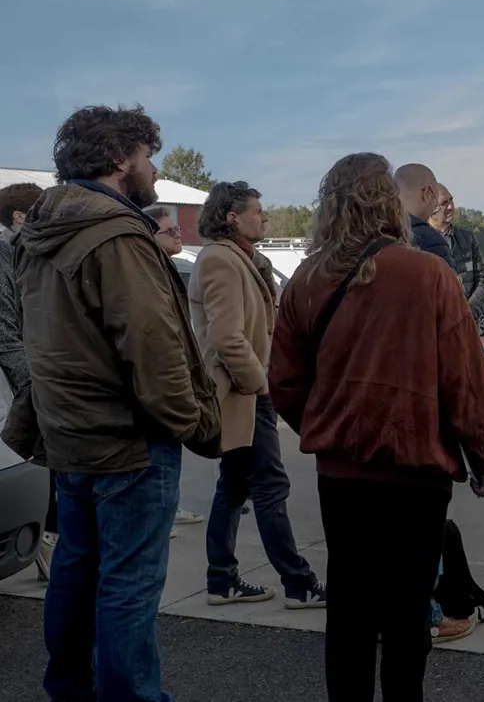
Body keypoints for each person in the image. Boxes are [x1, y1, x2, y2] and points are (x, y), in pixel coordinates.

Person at [268, 152, 484, 702]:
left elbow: (282, 381)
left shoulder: (307, 278)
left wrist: (331, 424)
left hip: (343, 473)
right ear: (386, 202)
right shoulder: (428, 274)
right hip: (416, 471)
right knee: (406, 614)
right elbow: (465, 379)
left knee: (349, 608)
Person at [13, 104, 220, 702]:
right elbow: (154, 357)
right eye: (147, 154)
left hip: (71, 437)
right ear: (118, 158)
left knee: (77, 574)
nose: (153, 167)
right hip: (128, 444)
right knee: (126, 586)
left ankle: (71, 690)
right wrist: (198, 427)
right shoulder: (116, 237)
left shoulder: (41, 233)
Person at [190, 181, 326, 608]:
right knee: (269, 485)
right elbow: (227, 337)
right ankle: (299, 584)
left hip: (246, 392)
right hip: (244, 393)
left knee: (234, 486)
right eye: (257, 211)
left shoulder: (241, 259)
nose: (264, 217)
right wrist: (259, 382)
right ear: (232, 218)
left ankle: (221, 580)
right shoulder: (220, 261)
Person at [0, 181, 57, 580]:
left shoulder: (26, 254)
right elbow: (6, 332)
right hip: (20, 391)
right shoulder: (4, 256)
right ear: (20, 218)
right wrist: (37, 386)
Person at [148, 205, 206, 531]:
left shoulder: (169, 270)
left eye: (178, 229)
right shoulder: (150, 277)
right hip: (164, 397)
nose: (178, 234)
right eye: (169, 231)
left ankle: (167, 511)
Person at [429, 183, 484, 314]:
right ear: (431, 208)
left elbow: (482, 279)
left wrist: (469, 315)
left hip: (468, 323)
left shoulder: (467, 238)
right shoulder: (417, 241)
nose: (451, 206)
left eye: (451, 200)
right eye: (444, 203)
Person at [393, 163, 457, 270]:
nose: (434, 208)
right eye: (436, 202)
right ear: (427, 193)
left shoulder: (373, 234)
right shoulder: (432, 242)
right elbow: (449, 285)